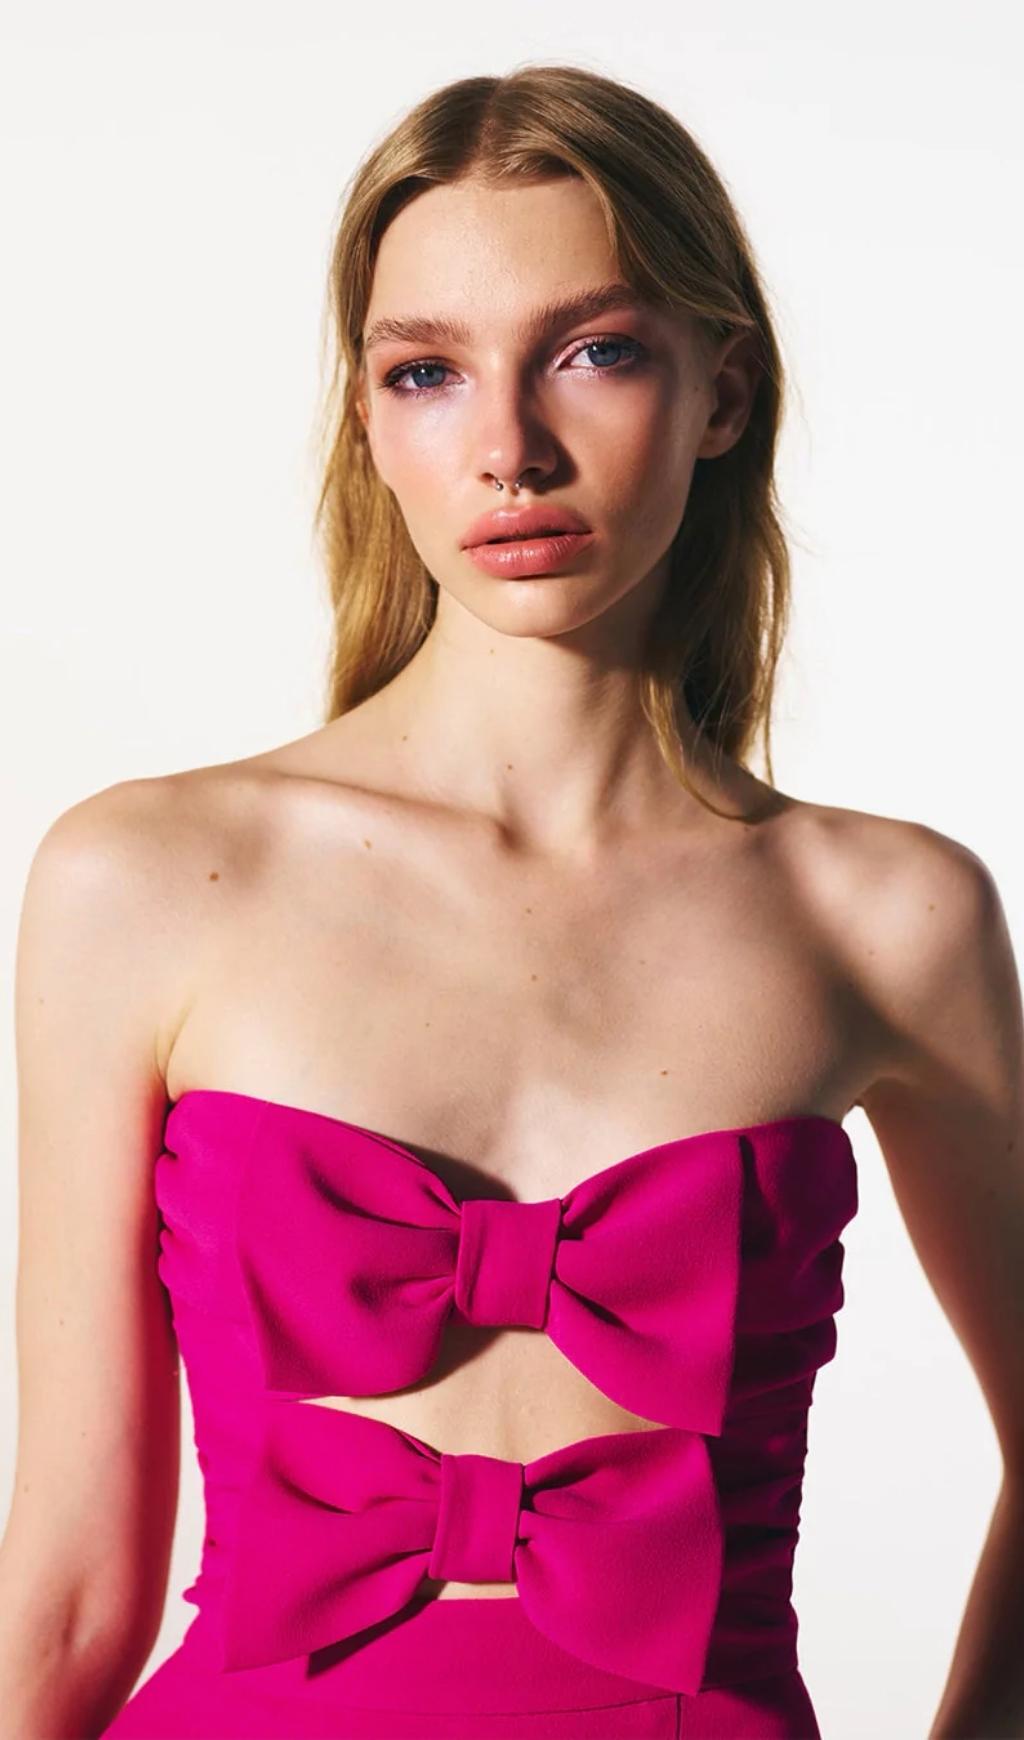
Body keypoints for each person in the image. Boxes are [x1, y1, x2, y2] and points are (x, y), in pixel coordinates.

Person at [1, 60, 1022, 1740]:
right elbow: (67, 1596)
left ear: (723, 392)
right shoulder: (144, 881)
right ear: (366, 420)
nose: (508, 450)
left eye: (593, 351)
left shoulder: (890, 916)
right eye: (427, 372)